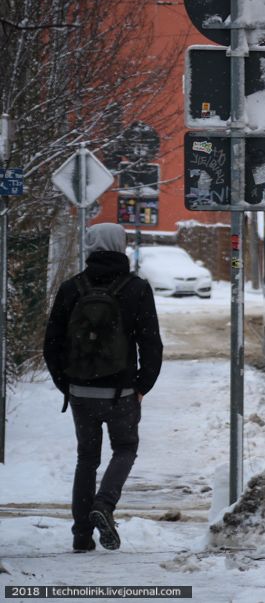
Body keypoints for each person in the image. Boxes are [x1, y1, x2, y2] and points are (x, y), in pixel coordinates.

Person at [44, 223, 163, 553]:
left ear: (91, 245)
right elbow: (151, 344)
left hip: (81, 392)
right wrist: (142, 386)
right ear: (121, 246)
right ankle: (105, 504)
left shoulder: (72, 288)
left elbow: (51, 343)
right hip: (122, 393)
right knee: (124, 449)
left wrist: (66, 384)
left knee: (86, 459)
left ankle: (81, 535)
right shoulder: (136, 289)